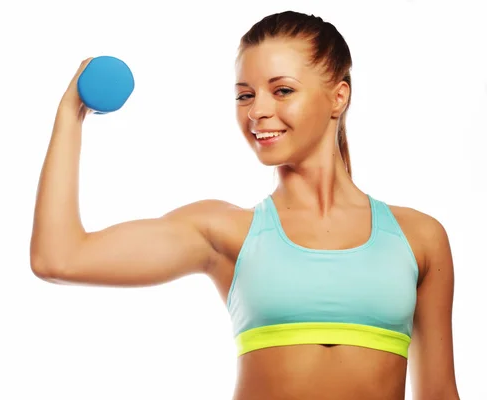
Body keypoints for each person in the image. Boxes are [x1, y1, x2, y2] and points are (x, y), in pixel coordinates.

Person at [30, 10, 460, 400]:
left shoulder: (419, 237)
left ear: (338, 97)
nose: (258, 111)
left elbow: (439, 392)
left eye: (282, 90)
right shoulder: (225, 233)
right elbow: (59, 258)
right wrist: (70, 115)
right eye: (244, 95)